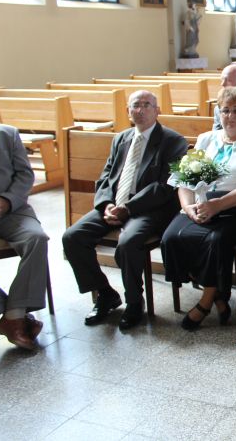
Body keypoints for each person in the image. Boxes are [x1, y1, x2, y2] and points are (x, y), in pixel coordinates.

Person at [64, 91, 188, 331]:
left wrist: (128, 208)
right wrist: (106, 205)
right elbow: (106, 176)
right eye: (135, 106)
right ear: (128, 111)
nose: (140, 110)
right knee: (72, 237)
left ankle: (134, 302)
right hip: (114, 204)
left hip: (148, 209)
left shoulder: (172, 141)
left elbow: (164, 186)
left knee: (128, 242)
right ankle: (105, 293)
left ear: (157, 110)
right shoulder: (121, 138)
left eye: (146, 105)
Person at [161, 87, 236, 330]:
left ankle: (205, 301)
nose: (230, 116)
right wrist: (188, 207)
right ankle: (219, 295)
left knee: (215, 242)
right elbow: (184, 179)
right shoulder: (205, 139)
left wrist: (217, 205)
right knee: (171, 238)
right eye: (225, 110)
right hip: (201, 204)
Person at [0, 123, 50, 350]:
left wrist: (7, 200)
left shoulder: (7, 133)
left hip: (11, 211)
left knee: (36, 238)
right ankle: (9, 313)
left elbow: (25, 174)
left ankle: (14, 315)